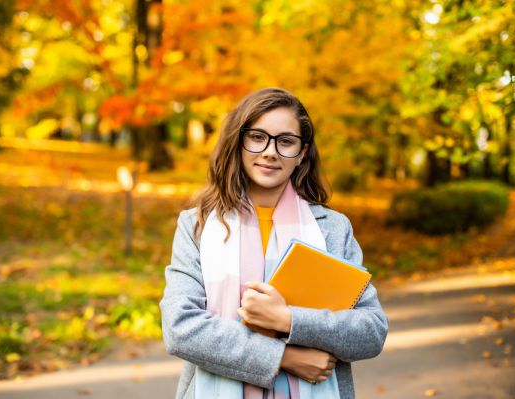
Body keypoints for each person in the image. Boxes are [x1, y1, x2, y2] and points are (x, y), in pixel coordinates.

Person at [160, 88, 388, 399]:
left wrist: (288, 320)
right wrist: (284, 358)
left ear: (302, 153)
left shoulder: (332, 230)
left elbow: (371, 331)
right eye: (257, 137)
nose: (270, 152)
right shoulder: (197, 225)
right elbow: (181, 328)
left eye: (285, 141)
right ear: (238, 143)